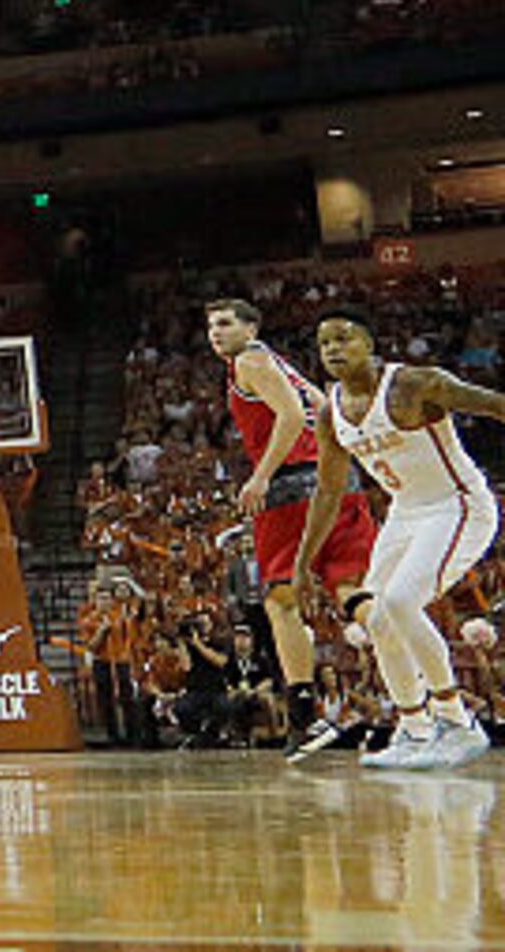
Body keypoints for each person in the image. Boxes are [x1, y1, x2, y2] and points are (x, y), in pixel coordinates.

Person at [295, 311, 503, 770]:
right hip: (406, 514)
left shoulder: (415, 384)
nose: (333, 348)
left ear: (369, 344)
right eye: (324, 341)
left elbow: (493, 404)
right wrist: (302, 563)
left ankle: (457, 721)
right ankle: (414, 726)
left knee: (402, 601)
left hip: (458, 505)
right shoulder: (331, 412)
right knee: (380, 619)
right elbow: (328, 491)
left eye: (344, 338)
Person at [208, 296, 376, 757]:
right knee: (351, 592)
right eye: (210, 327)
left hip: (290, 487)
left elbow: (291, 416)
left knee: (281, 600)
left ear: (251, 327)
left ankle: (305, 712)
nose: (215, 333)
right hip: (339, 481)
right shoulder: (289, 368)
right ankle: (421, 690)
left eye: (224, 323)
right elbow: (325, 409)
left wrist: (261, 476)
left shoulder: (250, 361)